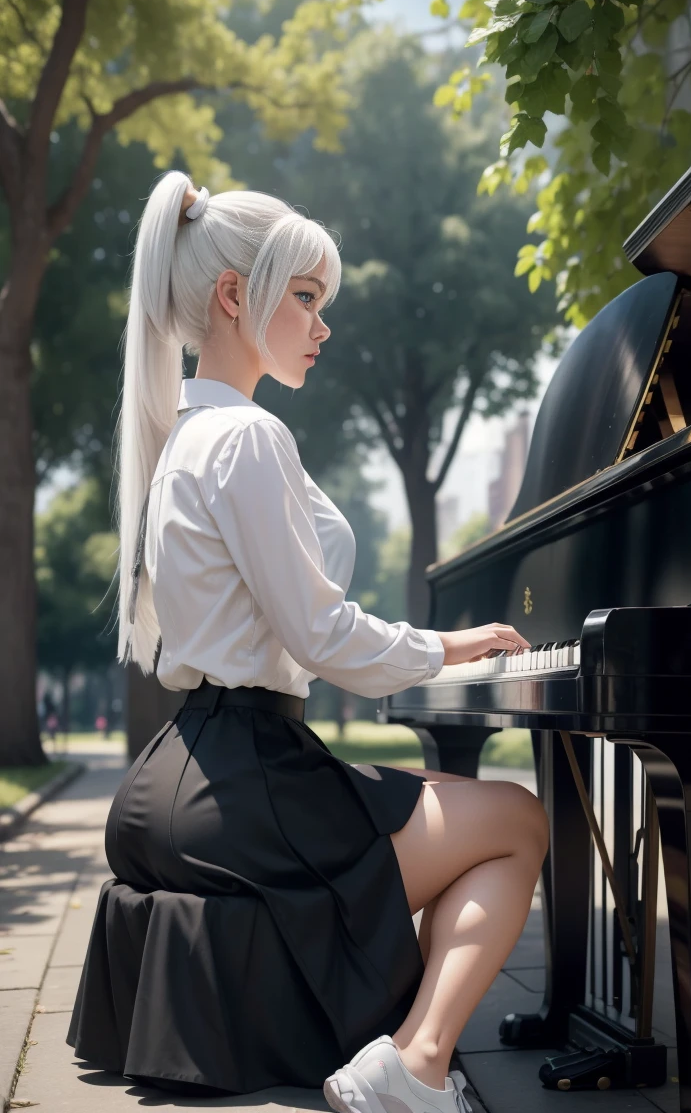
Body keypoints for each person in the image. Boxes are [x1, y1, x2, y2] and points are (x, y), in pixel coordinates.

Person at [66, 172, 549, 1110]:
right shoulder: (244, 439)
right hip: (252, 781)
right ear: (235, 296)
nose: (323, 326)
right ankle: (413, 1068)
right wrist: (452, 648)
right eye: (306, 298)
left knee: (462, 803)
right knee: (520, 822)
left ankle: (405, 1046)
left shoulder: (188, 438)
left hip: (188, 766)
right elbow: (322, 633)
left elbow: (302, 593)